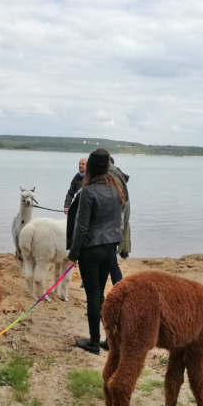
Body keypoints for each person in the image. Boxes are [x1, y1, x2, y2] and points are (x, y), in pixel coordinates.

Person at [67, 148, 124, 355]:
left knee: (93, 295)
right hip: (110, 248)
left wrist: (73, 255)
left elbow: (81, 228)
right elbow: (117, 221)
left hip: (91, 250)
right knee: (99, 293)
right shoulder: (116, 189)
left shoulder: (88, 192)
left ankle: (94, 342)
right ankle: (110, 338)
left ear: (90, 167)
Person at [108, 156, 131, 284]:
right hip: (115, 228)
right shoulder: (119, 178)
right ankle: (119, 285)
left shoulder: (114, 179)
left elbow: (120, 209)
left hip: (112, 229)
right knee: (111, 261)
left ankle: (119, 286)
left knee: (111, 262)